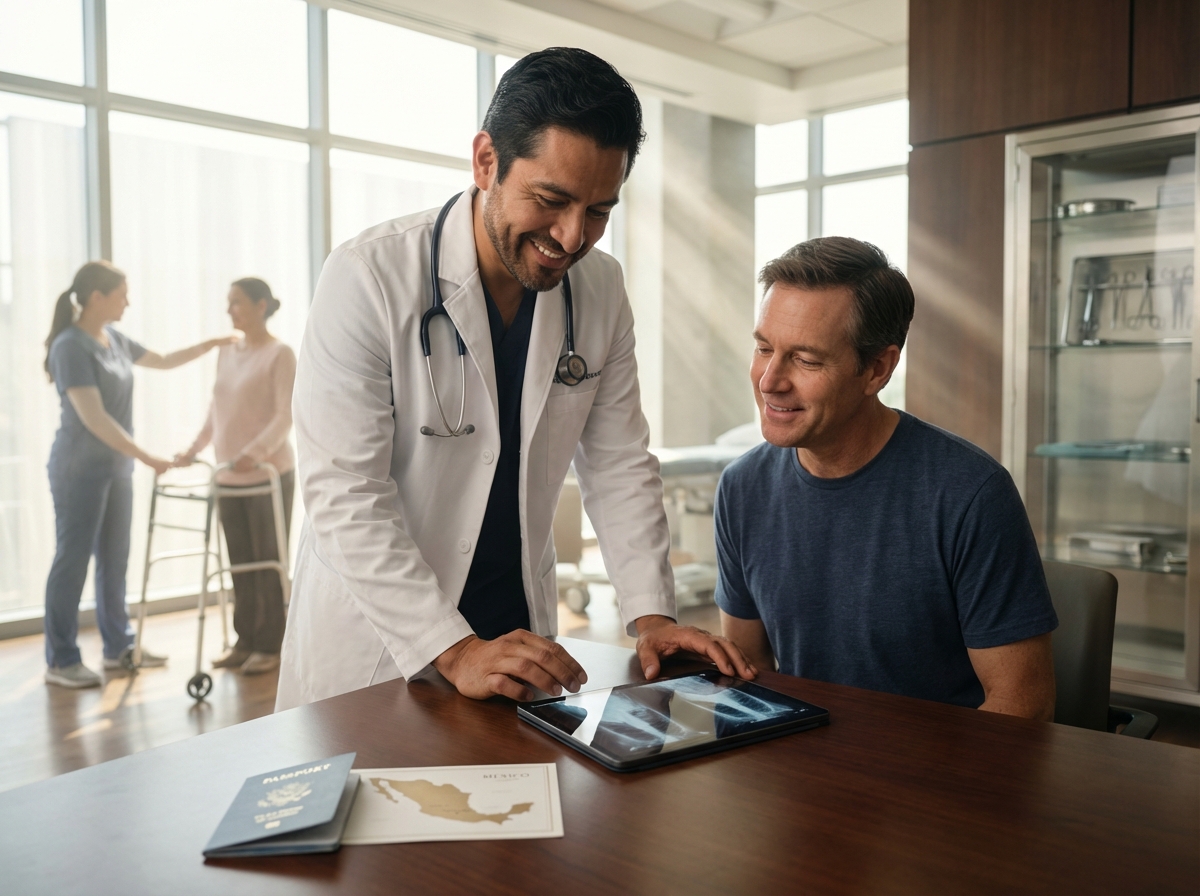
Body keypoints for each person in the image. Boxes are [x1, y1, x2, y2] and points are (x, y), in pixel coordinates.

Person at [276, 47, 754, 711]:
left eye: (598, 211)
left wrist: (652, 618)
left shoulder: (600, 290)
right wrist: (455, 648)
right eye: (552, 200)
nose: (570, 235)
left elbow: (617, 465)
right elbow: (344, 492)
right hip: (383, 647)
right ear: (485, 162)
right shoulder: (369, 278)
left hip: (518, 644)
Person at [715, 237, 1060, 720]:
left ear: (877, 368)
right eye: (763, 348)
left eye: (806, 359)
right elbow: (749, 671)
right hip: (801, 768)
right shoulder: (741, 487)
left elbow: (1022, 704)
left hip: (935, 777)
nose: (769, 379)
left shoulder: (970, 494)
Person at [43, 260, 235, 688]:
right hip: (79, 471)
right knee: (72, 561)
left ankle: (118, 649)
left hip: (116, 468)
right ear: (98, 297)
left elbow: (164, 360)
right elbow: (94, 419)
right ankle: (62, 659)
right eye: (122, 293)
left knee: (115, 560)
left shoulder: (112, 338)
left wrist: (215, 342)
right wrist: (149, 456)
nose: (128, 301)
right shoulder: (71, 346)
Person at [177, 278, 296, 676]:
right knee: (238, 563)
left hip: (266, 474)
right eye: (228, 303)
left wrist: (253, 453)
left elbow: (285, 415)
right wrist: (193, 449)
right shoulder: (227, 352)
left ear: (261, 305)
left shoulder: (280, 354)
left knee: (266, 563)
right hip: (228, 477)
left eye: (237, 303)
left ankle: (271, 644)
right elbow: (217, 410)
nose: (230, 310)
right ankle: (244, 640)